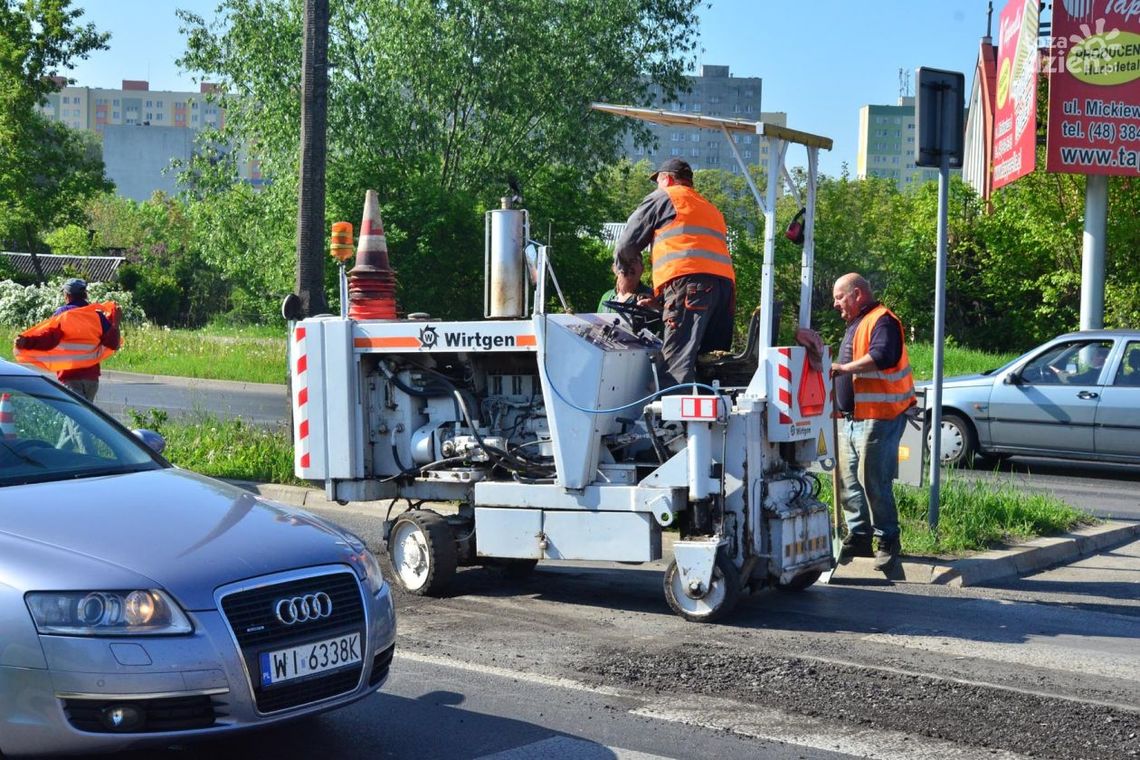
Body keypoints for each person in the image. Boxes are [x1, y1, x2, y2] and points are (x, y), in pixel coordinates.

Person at [612, 158, 735, 387]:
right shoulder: (709, 207)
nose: (656, 186)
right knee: (709, 365)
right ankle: (711, 418)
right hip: (724, 291)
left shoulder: (664, 197)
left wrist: (624, 276)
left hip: (691, 288)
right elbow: (697, 255)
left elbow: (626, 245)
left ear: (667, 178)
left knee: (675, 364)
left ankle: (674, 423)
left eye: (657, 181)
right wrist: (661, 300)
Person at [829, 273, 915, 571]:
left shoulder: (883, 320)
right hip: (852, 418)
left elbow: (883, 356)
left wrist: (842, 368)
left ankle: (887, 539)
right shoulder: (857, 323)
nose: (835, 303)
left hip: (880, 416)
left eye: (840, 297)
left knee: (873, 481)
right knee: (848, 480)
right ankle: (860, 535)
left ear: (857, 294)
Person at [13, 278, 121, 402]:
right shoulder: (97, 315)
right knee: (86, 416)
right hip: (91, 379)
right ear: (84, 295)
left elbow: (49, 340)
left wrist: (26, 342)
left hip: (70, 377)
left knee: (73, 418)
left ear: (67, 295)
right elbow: (113, 344)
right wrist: (115, 325)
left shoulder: (63, 314)